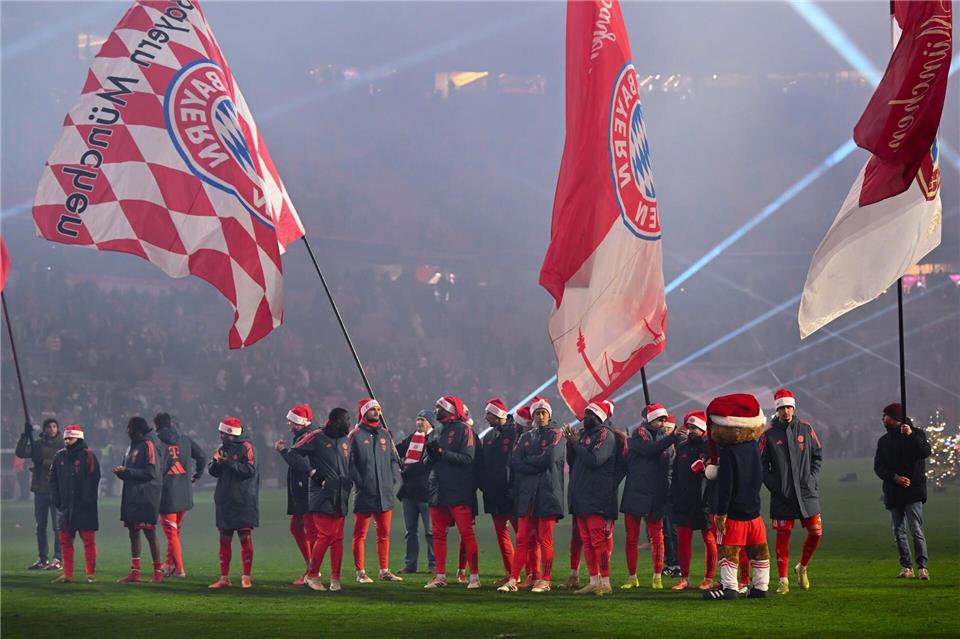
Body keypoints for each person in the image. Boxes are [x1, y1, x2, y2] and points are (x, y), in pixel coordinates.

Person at [703, 393, 770, 601]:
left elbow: (726, 486)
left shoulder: (730, 452)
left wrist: (721, 512)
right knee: (758, 551)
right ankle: (761, 586)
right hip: (754, 512)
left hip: (734, 515)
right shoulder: (754, 447)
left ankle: (729, 587)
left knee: (728, 550)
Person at [759, 389, 823, 594]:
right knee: (783, 536)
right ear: (776, 410)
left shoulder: (806, 428)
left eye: (788, 407)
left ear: (793, 407)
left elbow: (817, 455)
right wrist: (775, 487)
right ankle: (783, 580)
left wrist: (811, 479)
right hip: (783, 496)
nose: (785, 411)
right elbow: (762, 466)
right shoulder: (768, 434)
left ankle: (802, 567)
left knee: (816, 533)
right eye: (781, 408)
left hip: (806, 492)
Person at [281, 407, 352, 592]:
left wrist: (350, 482)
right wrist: (312, 472)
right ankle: (312, 575)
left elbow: (351, 463)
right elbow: (294, 453)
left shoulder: (345, 439)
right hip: (321, 493)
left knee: (337, 538)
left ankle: (335, 579)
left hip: (341, 493)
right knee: (325, 535)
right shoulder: (316, 436)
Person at [499, 396, 565, 593]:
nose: (541, 416)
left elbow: (550, 459)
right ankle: (513, 580)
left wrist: (529, 462)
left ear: (549, 415)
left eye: (544, 412)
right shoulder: (526, 437)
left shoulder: (557, 433)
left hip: (547, 494)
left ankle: (545, 580)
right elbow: (515, 462)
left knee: (545, 539)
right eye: (537, 413)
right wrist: (536, 462)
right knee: (522, 539)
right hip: (528, 495)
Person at [423, 395, 480, 589]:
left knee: (466, 533)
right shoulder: (435, 432)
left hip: (458, 488)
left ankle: (474, 577)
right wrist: (430, 456)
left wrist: (442, 454)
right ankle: (440, 576)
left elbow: (468, 458)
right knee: (438, 534)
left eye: (439, 407)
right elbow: (427, 462)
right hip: (437, 488)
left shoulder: (465, 429)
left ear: (449, 410)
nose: (435, 410)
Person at [620, 404, 678, 590]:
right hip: (636, 491)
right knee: (632, 537)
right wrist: (672, 438)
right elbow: (651, 449)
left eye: (664, 419)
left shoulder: (665, 439)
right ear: (650, 418)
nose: (663, 422)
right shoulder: (638, 434)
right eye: (660, 418)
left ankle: (656, 576)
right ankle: (632, 577)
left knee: (657, 537)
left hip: (657, 493)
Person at [563, 401, 617, 595]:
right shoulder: (585, 435)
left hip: (596, 496)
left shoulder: (605, 435)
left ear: (599, 417)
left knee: (597, 541)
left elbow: (595, 460)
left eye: (588, 415)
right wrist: (571, 444)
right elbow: (574, 461)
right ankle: (594, 580)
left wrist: (577, 443)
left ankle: (606, 581)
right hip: (581, 495)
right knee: (587, 540)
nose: (584, 418)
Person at [874, 402, 931, 580]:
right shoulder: (884, 441)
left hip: (913, 491)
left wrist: (911, 435)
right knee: (898, 531)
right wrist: (895, 477)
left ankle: (922, 567)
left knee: (916, 530)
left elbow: (925, 451)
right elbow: (879, 467)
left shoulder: (917, 434)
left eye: (885, 415)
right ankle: (906, 566)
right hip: (894, 491)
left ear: (895, 418)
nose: (882, 418)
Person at [350, 398, 403, 583]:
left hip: (385, 492)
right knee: (360, 534)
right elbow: (350, 463)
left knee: (384, 533)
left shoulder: (385, 434)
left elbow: (392, 459)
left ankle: (384, 570)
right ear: (364, 412)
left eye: (379, 408)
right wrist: (361, 482)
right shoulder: (355, 435)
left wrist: (393, 478)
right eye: (373, 409)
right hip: (365, 492)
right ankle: (360, 572)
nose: (377, 412)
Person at [208, 417, 259, 589]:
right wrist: (216, 462)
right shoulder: (222, 449)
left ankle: (246, 576)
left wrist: (228, 462)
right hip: (224, 499)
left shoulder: (247, 447)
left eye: (223, 432)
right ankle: (224, 577)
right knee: (224, 539)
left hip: (243, 499)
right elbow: (213, 472)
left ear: (230, 433)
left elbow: (250, 471)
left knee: (245, 537)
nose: (220, 434)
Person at [669, 410, 717, 591]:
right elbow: (675, 475)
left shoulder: (711, 447)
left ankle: (709, 578)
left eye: (695, 428)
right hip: (684, 501)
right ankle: (684, 578)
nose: (691, 431)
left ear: (703, 429)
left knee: (709, 539)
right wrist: (673, 497)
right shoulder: (681, 447)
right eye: (689, 427)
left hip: (705, 501)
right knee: (682, 540)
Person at [114, 416, 165, 584]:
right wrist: (122, 472)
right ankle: (135, 572)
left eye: (130, 428)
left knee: (150, 533)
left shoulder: (149, 445)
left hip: (145, 496)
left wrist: (127, 472)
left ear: (138, 429)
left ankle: (158, 572)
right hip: (131, 495)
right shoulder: (132, 446)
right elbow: (129, 469)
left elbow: (151, 472)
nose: (128, 431)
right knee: (133, 532)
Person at [155, 412, 206, 578]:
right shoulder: (185, 439)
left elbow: (155, 468)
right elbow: (202, 456)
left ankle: (180, 569)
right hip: (184, 494)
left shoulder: (156, 442)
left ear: (156, 426)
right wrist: (197, 474)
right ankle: (169, 564)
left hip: (167, 495)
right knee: (175, 532)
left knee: (171, 533)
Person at [49, 424, 100, 584]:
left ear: (78, 437)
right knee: (65, 542)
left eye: (69, 437)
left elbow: (94, 479)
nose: (66, 440)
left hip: (84, 508)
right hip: (65, 508)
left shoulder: (89, 455)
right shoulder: (59, 457)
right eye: (65, 438)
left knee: (88, 542)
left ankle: (90, 574)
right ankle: (68, 574)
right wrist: (57, 500)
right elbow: (53, 480)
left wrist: (87, 499)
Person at [275, 404, 318, 585]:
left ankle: (313, 571)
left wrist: (283, 451)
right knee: (297, 527)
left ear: (299, 422)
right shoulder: (305, 435)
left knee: (311, 530)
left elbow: (299, 463)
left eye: (291, 421)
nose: (288, 424)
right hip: (301, 490)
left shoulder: (307, 438)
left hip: (306, 490)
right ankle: (310, 567)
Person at [477, 398, 517, 586]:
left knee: (524, 536)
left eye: (488, 414)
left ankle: (534, 574)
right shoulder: (489, 436)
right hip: (493, 493)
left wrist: (513, 487)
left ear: (499, 414)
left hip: (511, 493)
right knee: (502, 535)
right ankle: (511, 572)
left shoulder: (515, 432)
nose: (486, 418)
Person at [15, 417, 63, 570]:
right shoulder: (37, 445)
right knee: (40, 526)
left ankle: (58, 558)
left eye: (54, 426)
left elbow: (63, 463)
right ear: (44, 429)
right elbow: (21, 452)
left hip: (57, 490)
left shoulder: (62, 444)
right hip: (40, 489)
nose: (52, 429)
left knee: (57, 527)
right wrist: (25, 436)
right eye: (49, 426)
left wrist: (45, 462)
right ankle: (43, 558)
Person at [396, 410, 436, 574]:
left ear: (430, 423)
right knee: (410, 531)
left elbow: (428, 464)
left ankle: (434, 565)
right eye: (418, 419)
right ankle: (410, 564)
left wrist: (408, 468)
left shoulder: (434, 439)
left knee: (430, 532)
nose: (419, 423)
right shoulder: (412, 438)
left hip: (426, 491)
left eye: (423, 420)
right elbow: (396, 450)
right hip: (409, 492)